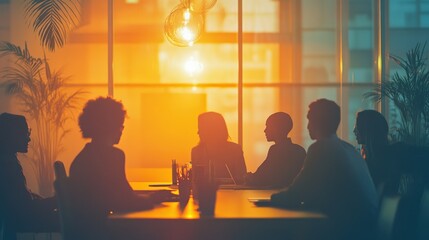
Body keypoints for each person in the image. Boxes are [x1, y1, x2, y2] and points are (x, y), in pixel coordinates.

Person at [270, 99, 378, 240]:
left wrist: (271, 199)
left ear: (317, 123)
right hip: (364, 228)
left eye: (309, 121)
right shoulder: (348, 149)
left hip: (346, 231)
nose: (307, 126)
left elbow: (295, 194)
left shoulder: (321, 148)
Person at [69, 97, 173, 239]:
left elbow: (120, 197)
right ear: (109, 126)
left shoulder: (82, 158)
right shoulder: (113, 156)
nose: (121, 131)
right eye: (120, 125)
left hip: (88, 232)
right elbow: (125, 201)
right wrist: (153, 198)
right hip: (105, 232)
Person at [0, 113, 59, 239]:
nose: (28, 139)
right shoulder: (7, 166)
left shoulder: (8, 161)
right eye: (25, 133)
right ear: (12, 135)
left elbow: (23, 200)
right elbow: (25, 209)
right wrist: (56, 201)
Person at [245, 112, 306, 188]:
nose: (265, 130)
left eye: (268, 126)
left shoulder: (276, 150)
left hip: (277, 195)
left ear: (277, 128)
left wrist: (247, 176)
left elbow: (260, 178)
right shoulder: (299, 150)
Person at [191, 111, 247, 185]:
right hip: (204, 195)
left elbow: (242, 179)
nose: (198, 132)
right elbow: (194, 181)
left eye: (201, 128)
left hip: (231, 195)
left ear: (212, 129)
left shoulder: (235, 150)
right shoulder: (196, 152)